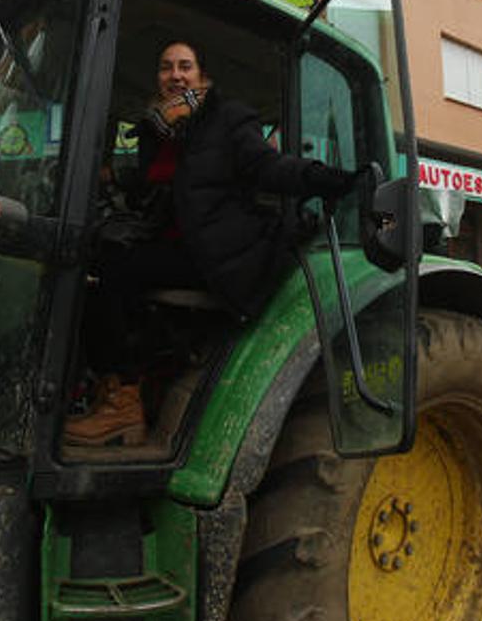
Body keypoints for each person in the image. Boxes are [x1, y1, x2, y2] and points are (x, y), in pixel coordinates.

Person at [64, 40, 360, 446]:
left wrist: (325, 178)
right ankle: (115, 389)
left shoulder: (228, 119)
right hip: (172, 242)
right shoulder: (159, 129)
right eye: (166, 67)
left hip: (215, 252)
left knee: (117, 268)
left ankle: (123, 403)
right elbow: (166, 184)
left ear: (202, 75)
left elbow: (267, 167)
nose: (175, 75)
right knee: (92, 262)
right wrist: (114, 179)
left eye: (185, 66)